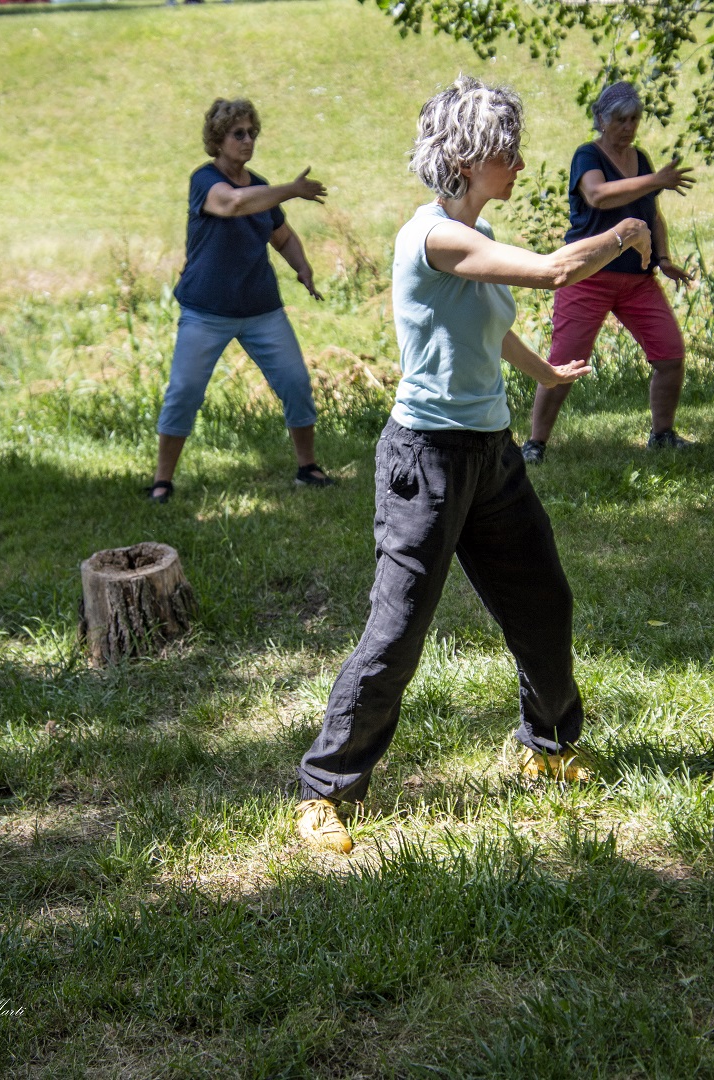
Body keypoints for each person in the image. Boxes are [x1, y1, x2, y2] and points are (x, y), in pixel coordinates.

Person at [293, 76, 651, 854]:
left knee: (542, 601)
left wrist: (545, 374)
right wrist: (624, 231)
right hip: (426, 460)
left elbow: (487, 323)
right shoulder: (432, 237)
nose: (520, 162)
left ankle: (544, 746)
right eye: (507, 151)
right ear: (463, 156)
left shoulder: (474, 238)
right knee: (397, 632)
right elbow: (556, 271)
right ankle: (325, 790)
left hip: (491, 455)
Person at [147, 98, 334, 503]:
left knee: (295, 383)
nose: (248, 140)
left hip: (261, 310)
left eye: (252, 133)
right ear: (219, 139)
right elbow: (233, 203)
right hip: (205, 311)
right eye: (239, 134)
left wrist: (303, 269)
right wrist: (291, 190)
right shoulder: (204, 180)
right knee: (184, 390)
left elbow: (281, 236)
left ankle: (308, 468)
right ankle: (162, 481)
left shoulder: (261, 187)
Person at [522, 81, 695, 465]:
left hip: (638, 280)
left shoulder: (642, 159)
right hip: (587, 278)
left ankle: (662, 435)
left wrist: (663, 258)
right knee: (564, 363)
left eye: (634, 119)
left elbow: (652, 214)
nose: (629, 126)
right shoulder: (588, 155)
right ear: (601, 119)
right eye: (620, 119)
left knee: (670, 353)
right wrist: (655, 181)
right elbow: (598, 195)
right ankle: (535, 444)